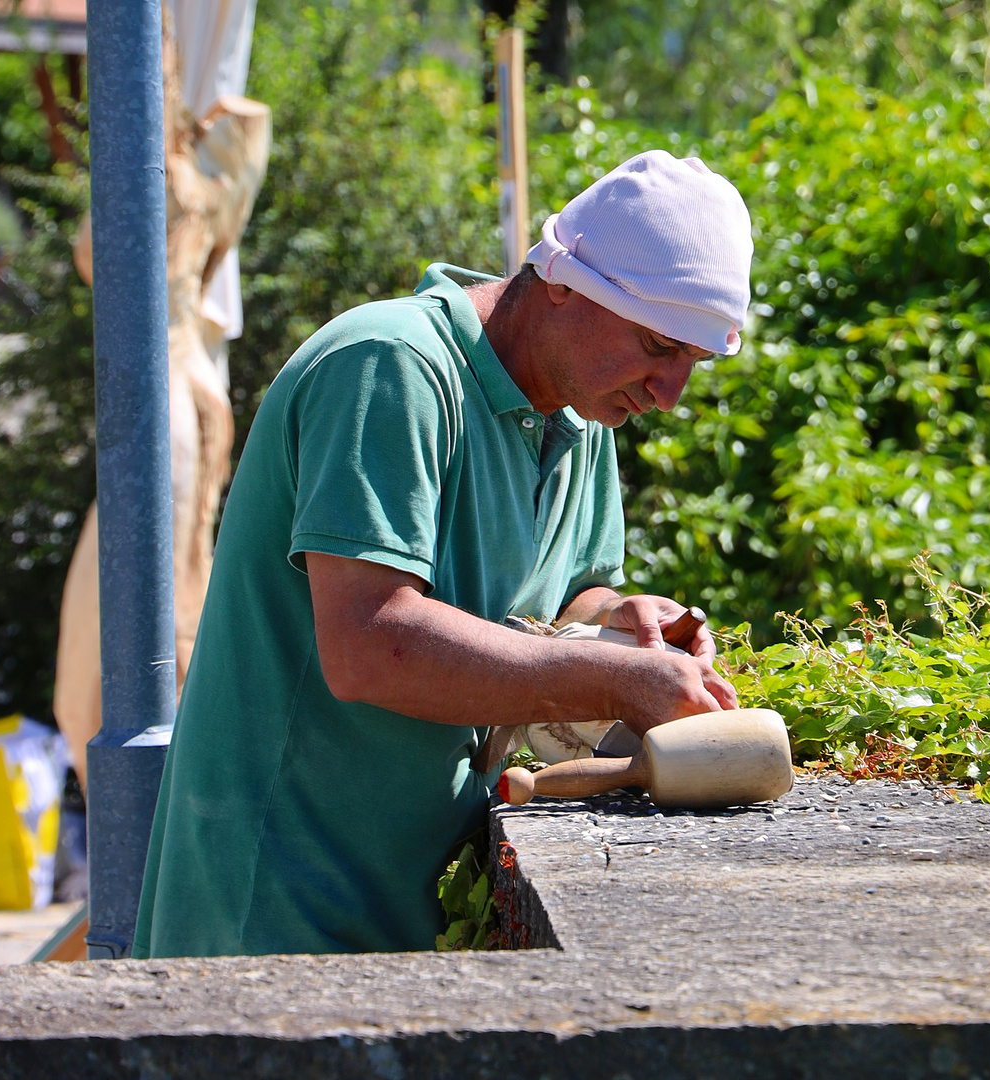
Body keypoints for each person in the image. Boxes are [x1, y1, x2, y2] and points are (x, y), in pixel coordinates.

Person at [132, 150, 753, 957]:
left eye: (693, 364)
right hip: (272, 916)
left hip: (413, 911)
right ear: (563, 281)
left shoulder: (583, 414)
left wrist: (620, 623)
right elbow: (366, 644)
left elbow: (549, 608)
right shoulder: (390, 367)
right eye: (656, 346)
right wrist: (611, 676)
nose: (669, 395)